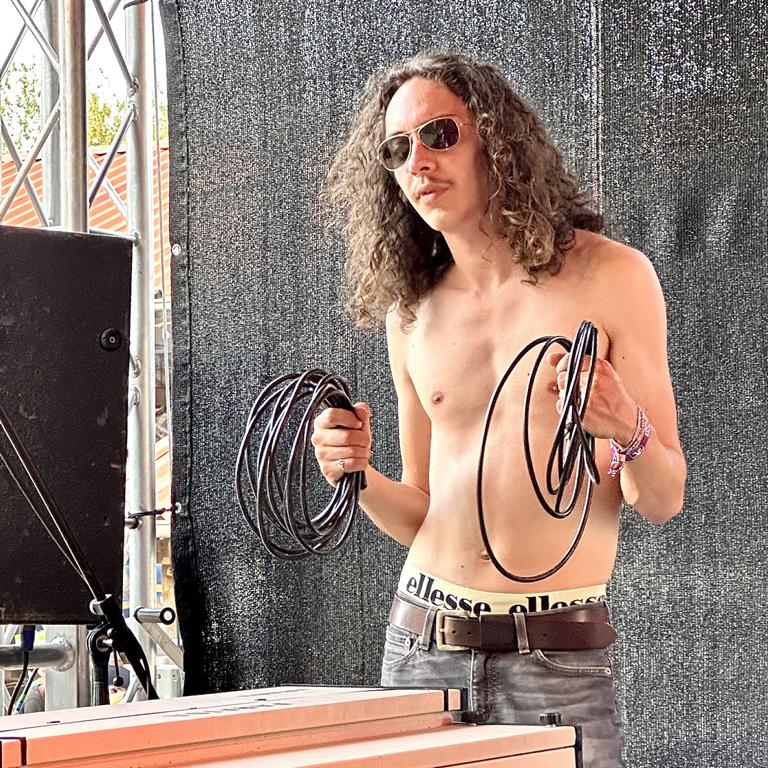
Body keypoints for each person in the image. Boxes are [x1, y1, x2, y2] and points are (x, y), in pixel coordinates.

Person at [313, 52, 686, 768]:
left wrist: (626, 427)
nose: (418, 162)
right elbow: (423, 512)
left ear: (494, 135)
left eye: (438, 134)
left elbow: (664, 498)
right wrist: (356, 476)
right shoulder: (412, 312)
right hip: (422, 647)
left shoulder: (612, 277)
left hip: (556, 658)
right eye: (397, 150)